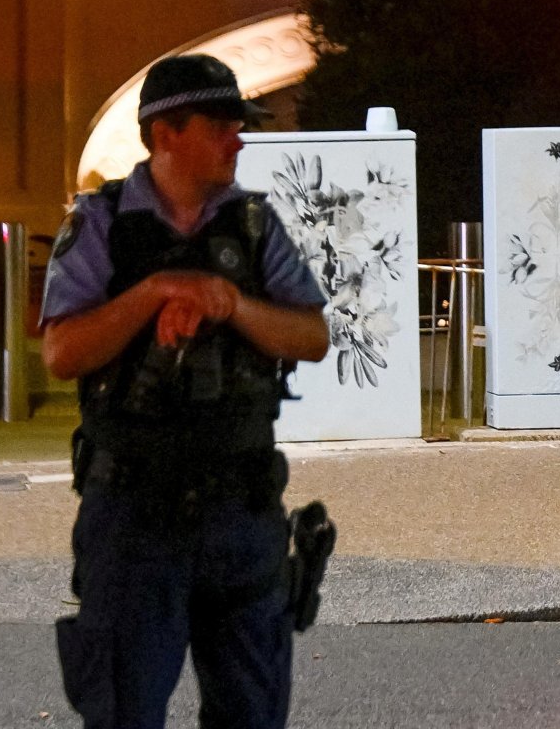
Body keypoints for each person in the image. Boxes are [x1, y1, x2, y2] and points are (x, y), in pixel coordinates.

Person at [42, 54, 330, 728]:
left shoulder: (256, 226)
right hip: (133, 517)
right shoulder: (102, 224)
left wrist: (229, 302)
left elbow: (311, 336)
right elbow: (60, 352)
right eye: (222, 124)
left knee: (251, 716)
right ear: (166, 132)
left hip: (241, 510)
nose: (240, 138)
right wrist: (155, 292)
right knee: (125, 713)